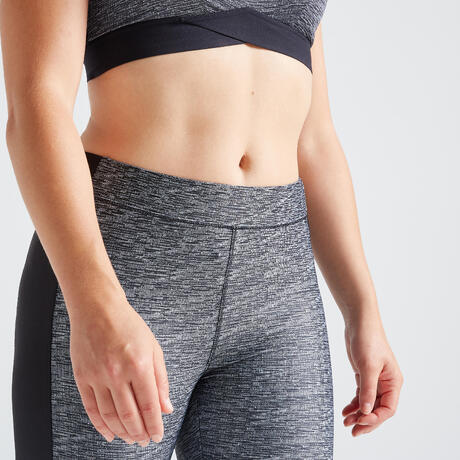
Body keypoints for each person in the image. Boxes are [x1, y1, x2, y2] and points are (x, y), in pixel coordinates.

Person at [1, 1, 403, 459]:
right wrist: (95, 304)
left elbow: (314, 137)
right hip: (126, 268)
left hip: (279, 290)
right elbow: (37, 103)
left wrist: (362, 310)